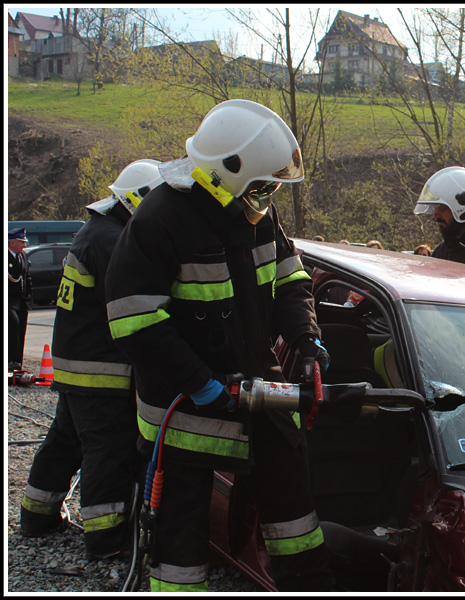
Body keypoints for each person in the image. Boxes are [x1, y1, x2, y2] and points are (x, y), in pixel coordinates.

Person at [104, 99, 333, 592]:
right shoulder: (160, 219)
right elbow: (134, 321)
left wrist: (306, 339)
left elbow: (292, 280)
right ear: (228, 173)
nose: (268, 197)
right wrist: (201, 382)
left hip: (258, 392)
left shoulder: (255, 216)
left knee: (294, 518)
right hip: (184, 408)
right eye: (262, 185)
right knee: (180, 542)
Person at [20, 160, 165, 560]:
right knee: (108, 450)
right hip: (100, 371)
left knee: (64, 442)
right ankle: (106, 540)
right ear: (140, 201)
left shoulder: (96, 231)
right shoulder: (113, 240)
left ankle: (37, 516)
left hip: (77, 366)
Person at [8, 227, 32, 370]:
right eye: (21, 242)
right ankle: (10, 360)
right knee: (12, 328)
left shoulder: (23, 256)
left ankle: (17, 361)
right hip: (9, 301)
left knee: (21, 330)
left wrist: (29, 298)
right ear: (12, 243)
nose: (24, 245)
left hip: (21, 300)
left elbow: (27, 278)